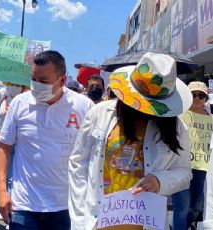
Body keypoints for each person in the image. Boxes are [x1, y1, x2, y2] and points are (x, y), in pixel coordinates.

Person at [69, 52, 192, 230]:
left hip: (148, 223)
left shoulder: (176, 128)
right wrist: (81, 220)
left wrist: (160, 181)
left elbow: (184, 173)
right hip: (97, 222)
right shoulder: (100, 113)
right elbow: (78, 163)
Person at [0, 50, 93, 230]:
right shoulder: (19, 103)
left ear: (62, 81)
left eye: (43, 82)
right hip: (24, 205)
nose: (36, 86)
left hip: (65, 206)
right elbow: (3, 146)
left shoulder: (83, 106)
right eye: (33, 79)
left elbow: (93, 152)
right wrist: (2, 190)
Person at [172, 81, 213, 230]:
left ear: (205, 99)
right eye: (193, 94)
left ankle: (186, 226)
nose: (197, 98)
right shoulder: (177, 115)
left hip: (203, 169)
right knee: (181, 208)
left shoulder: (211, 119)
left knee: (197, 206)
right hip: (181, 167)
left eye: (201, 95)